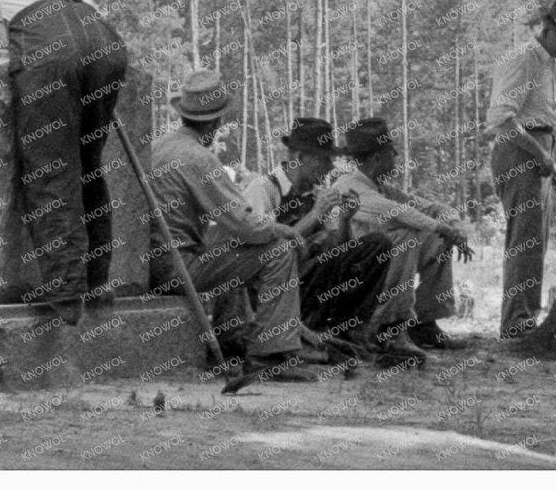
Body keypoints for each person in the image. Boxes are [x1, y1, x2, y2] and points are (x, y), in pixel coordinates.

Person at [0, 0, 128, 321]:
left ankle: (66, 291)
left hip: (51, 52)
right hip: (106, 46)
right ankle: (96, 282)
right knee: (89, 167)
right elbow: (89, 26)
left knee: (52, 168)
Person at [143, 70, 314, 386]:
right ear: (213, 123)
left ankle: (232, 334)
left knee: (227, 241)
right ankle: (270, 354)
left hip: (150, 265)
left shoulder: (160, 147)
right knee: (277, 251)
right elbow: (244, 223)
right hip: (177, 268)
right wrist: (283, 230)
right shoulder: (198, 158)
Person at [242, 116, 411, 362]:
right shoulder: (263, 189)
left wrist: (344, 219)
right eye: (325, 159)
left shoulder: (314, 194)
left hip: (307, 282)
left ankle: (347, 330)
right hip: (273, 289)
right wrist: (315, 215)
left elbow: (337, 250)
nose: (331, 167)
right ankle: (307, 332)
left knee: (377, 245)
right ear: (300, 158)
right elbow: (261, 253)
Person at [327, 117, 472, 354]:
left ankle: (424, 323)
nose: (396, 155)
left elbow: (432, 208)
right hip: (350, 279)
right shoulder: (348, 185)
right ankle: (391, 328)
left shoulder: (381, 187)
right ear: (376, 157)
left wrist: (452, 227)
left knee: (437, 239)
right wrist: (443, 228)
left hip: (375, 275)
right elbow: (399, 212)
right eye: (391, 151)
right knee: (408, 235)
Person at [485, 0, 556, 337]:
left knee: (536, 241)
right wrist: (541, 156)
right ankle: (516, 323)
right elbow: (501, 118)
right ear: (547, 30)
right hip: (520, 154)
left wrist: (552, 163)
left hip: (539, 154)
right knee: (523, 241)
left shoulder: (547, 63)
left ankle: (526, 318)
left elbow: (543, 118)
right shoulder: (523, 58)